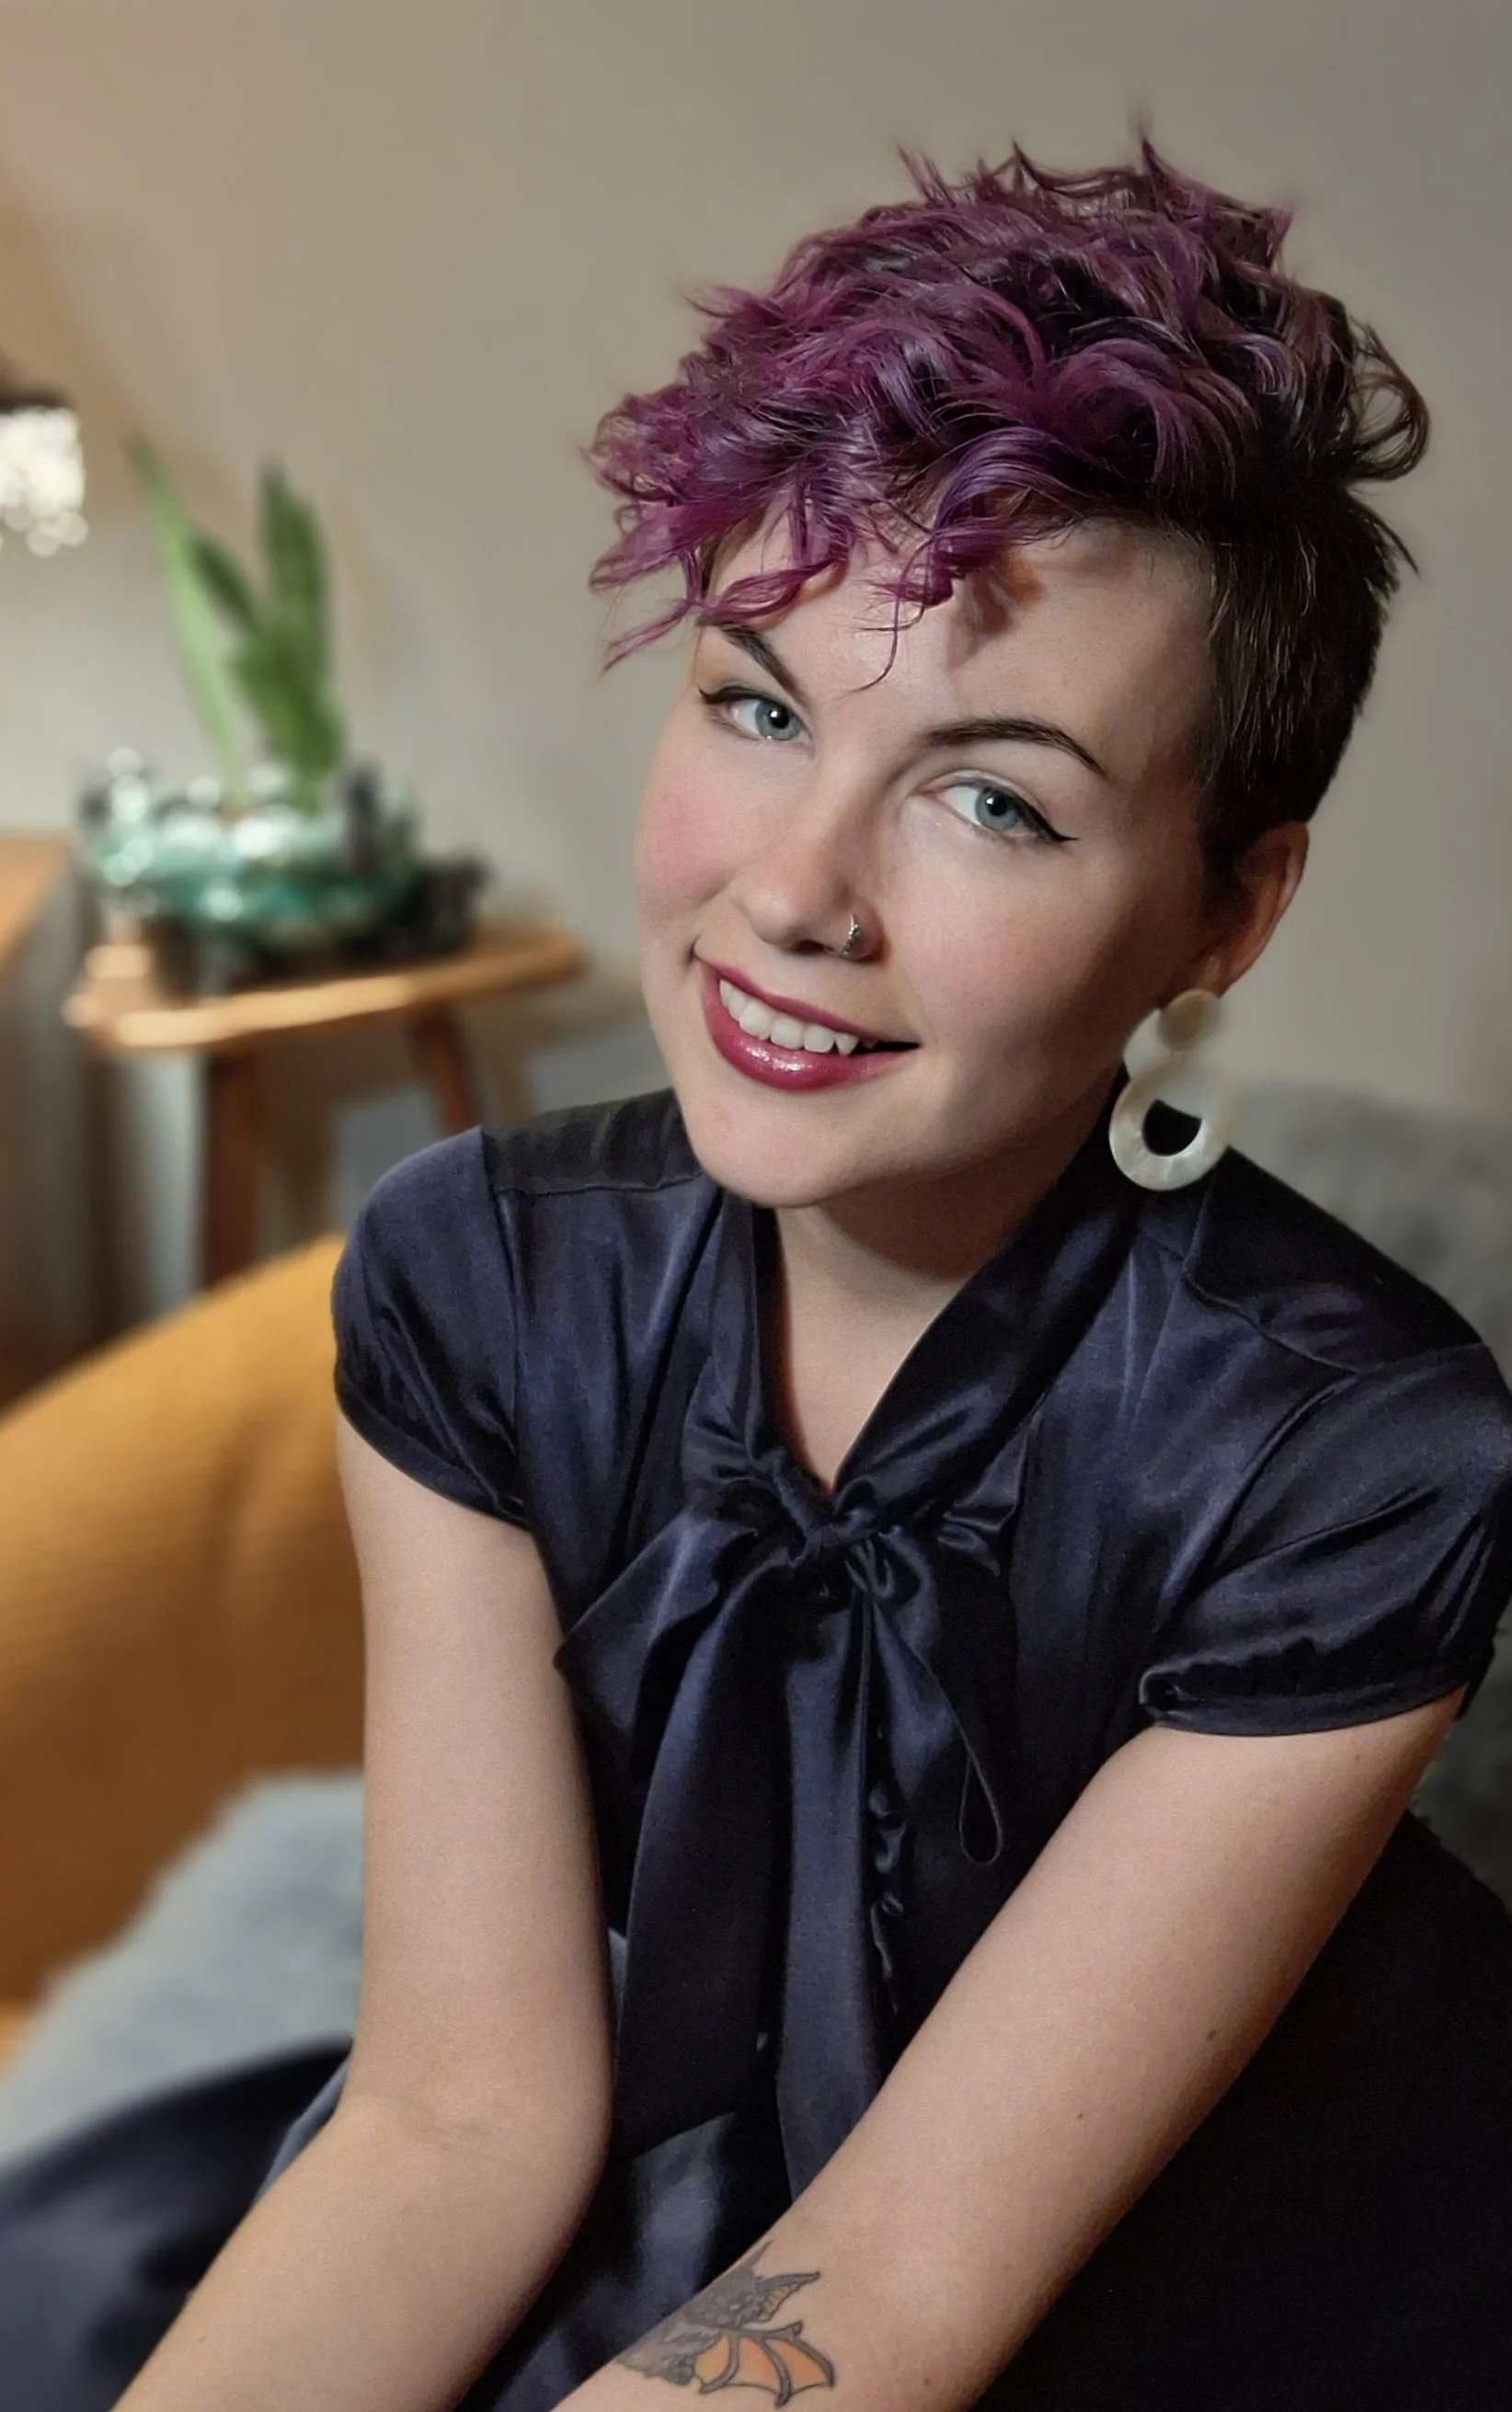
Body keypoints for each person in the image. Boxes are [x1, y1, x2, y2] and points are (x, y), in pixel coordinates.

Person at [11, 140, 1512, 2412]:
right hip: (684, 2189)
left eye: (993, 798)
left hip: (1239, 2273)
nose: (795, 894)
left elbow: (897, 2284)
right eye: (755, 702)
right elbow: (457, 2119)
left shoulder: (1363, 1456)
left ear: (1228, 910)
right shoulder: (468, 1285)